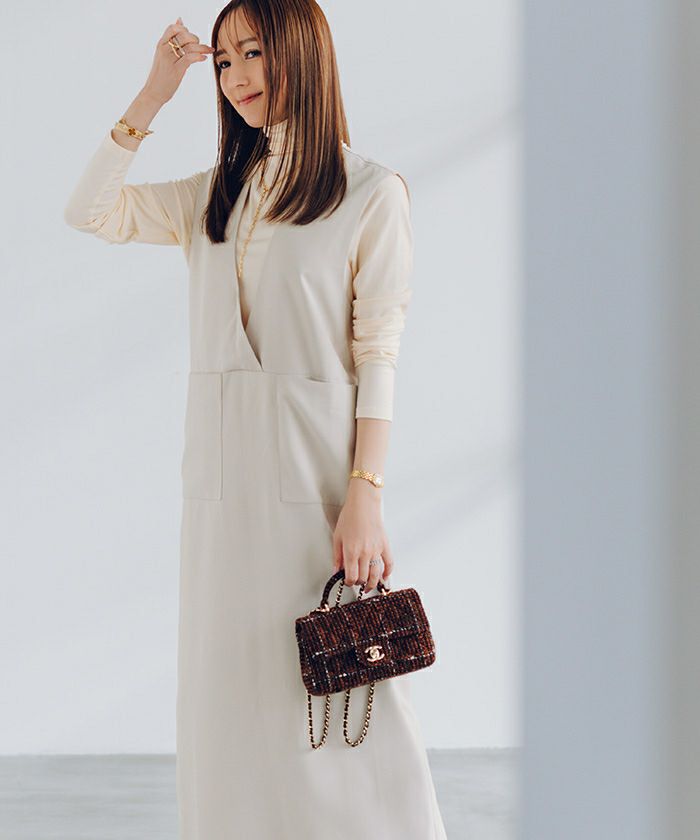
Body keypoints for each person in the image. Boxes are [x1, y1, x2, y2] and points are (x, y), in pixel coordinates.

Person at [64, 2, 448, 838]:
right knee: (228, 694)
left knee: (340, 689)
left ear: (302, 55)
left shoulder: (371, 193)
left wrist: (367, 492)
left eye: (254, 53)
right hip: (219, 489)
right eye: (224, 60)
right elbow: (89, 211)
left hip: (316, 488)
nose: (236, 76)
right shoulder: (216, 195)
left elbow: (378, 354)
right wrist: (154, 93)